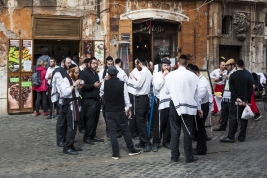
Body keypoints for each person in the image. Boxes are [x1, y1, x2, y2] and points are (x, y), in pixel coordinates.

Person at [165, 54, 203, 163]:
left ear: (177, 63)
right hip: (188, 106)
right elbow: (197, 95)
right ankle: (188, 155)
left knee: (174, 130)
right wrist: (199, 108)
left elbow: (167, 91)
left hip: (175, 104)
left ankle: (174, 155)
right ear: (187, 64)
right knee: (187, 131)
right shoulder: (192, 76)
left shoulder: (170, 75)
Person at [100, 65, 141, 159]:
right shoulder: (122, 84)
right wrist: (128, 109)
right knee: (126, 131)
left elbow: (101, 92)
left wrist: (104, 80)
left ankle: (116, 153)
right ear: (117, 74)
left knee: (112, 132)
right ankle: (131, 149)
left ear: (108, 74)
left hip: (109, 111)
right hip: (120, 110)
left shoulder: (105, 83)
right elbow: (126, 98)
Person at [220, 59, 253, 143]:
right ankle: (242, 137)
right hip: (245, 101)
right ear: (243, 65)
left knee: (234, 118)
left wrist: (236, 98)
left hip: (235, 101)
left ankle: (231, 136)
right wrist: (245, 100)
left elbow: (232, 89)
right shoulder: (248, 75)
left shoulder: (233, 76)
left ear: (236, 65)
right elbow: (250, 89)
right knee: (244, 118)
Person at [59, 64, 83, 155]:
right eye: (76, 72)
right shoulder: (64, 81)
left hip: (75, 104)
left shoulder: (73, 79)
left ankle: (71, 144)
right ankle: (67, 147)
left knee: (74, 126)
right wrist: (74, 85)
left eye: (78, 72)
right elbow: (65, 93)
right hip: (70, 106)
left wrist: (78, 87)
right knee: (71, 126)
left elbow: (75, 93)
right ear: (71, 72)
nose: (78, 74)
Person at [130, 56, 153, 152]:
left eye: (136, 64)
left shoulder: (144, 71)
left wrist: (132, 78)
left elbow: (138, 85)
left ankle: (146, 142)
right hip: (143, 97)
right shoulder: (147, 72)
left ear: (140, 63)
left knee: (140, 120)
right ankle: (143, 141)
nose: (136, 66)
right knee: (141, 120)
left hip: (142, 97)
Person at [79, 57, 103, 145]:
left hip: (96, 99)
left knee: (95, 119)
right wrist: (93, 85)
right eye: (93, 63)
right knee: (90, 119)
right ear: (89, 64)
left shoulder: (95, 74)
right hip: (88, 100)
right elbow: (82, 86)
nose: (95, 65)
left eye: (96, 63)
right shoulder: (84, 73)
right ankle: (87, 137)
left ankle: (93, 135)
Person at [190, 65, 213, 155]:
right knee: (198, 128)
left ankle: (201, 149)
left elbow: (200, 96)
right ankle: (201, 147)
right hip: (200, 105)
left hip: (202, 106)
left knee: (200, 128)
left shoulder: (202, 81)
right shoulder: (198, 80)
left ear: (195, 73)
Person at [51, 57, 72, 147]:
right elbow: (59, 86)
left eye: (70, 63)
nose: (69, 65)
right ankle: (60, 140)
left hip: (68, 98)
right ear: (63, 62)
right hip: (62, 99)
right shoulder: (58, 71)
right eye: (68, 63)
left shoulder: (67, 71)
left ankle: (67, 138)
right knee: (61, 121)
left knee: (68, 120)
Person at [151, 59, 171, 152]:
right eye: (164, 66)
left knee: (168, 123)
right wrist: (163, 76)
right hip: (161, 102)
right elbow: (157, 87)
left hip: (170, 102)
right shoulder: (157, 75)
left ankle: (166, 141)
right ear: (161, 66)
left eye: (168, 66)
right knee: (159, 123)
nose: (166, 67)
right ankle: (156, 142)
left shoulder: (172, 75)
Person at [213, 59, 236, 131]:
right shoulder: (228, 72)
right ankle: (222, 127)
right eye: (226, 66)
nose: (226, 67)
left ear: (232, 65)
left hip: (230, 95)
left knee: (231, 113)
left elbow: (233, 80)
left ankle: (233, 128)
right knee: (224, 112)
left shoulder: (234, 72)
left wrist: (226, 76)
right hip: (225, 95)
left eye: (228, 65)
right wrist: (220, 77)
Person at [98, 56, 114, 138]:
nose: (110, 65)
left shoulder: (116, 72)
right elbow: (100, 84)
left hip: (113, 95)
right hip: (105, 95)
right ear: (106, 64)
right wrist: (104, 80)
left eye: (111, 64)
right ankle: (108, 130)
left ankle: (112, 130)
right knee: (105, 114)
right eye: (108, 64)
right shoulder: (101, 73)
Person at [127, 59, 141, 140]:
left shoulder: (135, 71)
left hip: (131, 93)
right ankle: (133, 133)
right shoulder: (136, 72)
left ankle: (134, 131)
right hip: (133, 94)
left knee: (133, 112)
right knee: (133, 113)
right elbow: (137, 85)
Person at [78, 58, 91, 134]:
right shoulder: (79, 71)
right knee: (81, 111)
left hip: (83, 94)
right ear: (86, 64)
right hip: (80, 93)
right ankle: (81, 127)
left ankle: (84, 126)